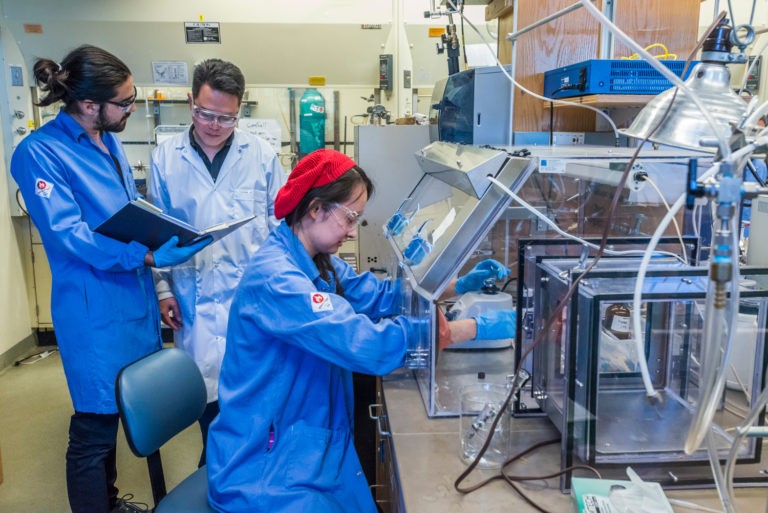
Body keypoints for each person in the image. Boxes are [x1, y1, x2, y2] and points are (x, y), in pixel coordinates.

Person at [206, 149, 515, 513]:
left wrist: (458, 285)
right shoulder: (278, 278)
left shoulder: (313, 259)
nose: (354, 231)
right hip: (263, 462)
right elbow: (361, 343)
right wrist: (469, 328)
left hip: (299, 435)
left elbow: (378, 295)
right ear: (316, 208)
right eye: (350, 218)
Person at [10, 45, 210, 513]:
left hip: (133, 304)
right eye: (124, 102)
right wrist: (143, 255)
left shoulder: (110, 141)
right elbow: (69, 235)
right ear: (87, 103)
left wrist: (163, 234)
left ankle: (108, 501)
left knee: (132, 411)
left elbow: (125, 211)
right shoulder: (39, 153)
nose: (131, 108)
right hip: (93, 311)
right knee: (95, 428)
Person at [147, 58, 285, 466]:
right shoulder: (166, 158)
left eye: (226, 118)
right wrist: (162, 290)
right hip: (196, 301)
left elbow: (279, 226)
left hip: (252, 300)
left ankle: (243, 483)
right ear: (191, 101)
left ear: (240, 111)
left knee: (254, 407)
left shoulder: (260, 155)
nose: (213, 124)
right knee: (207, 405)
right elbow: (156, 231)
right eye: (205, 113)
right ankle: (217, 479)